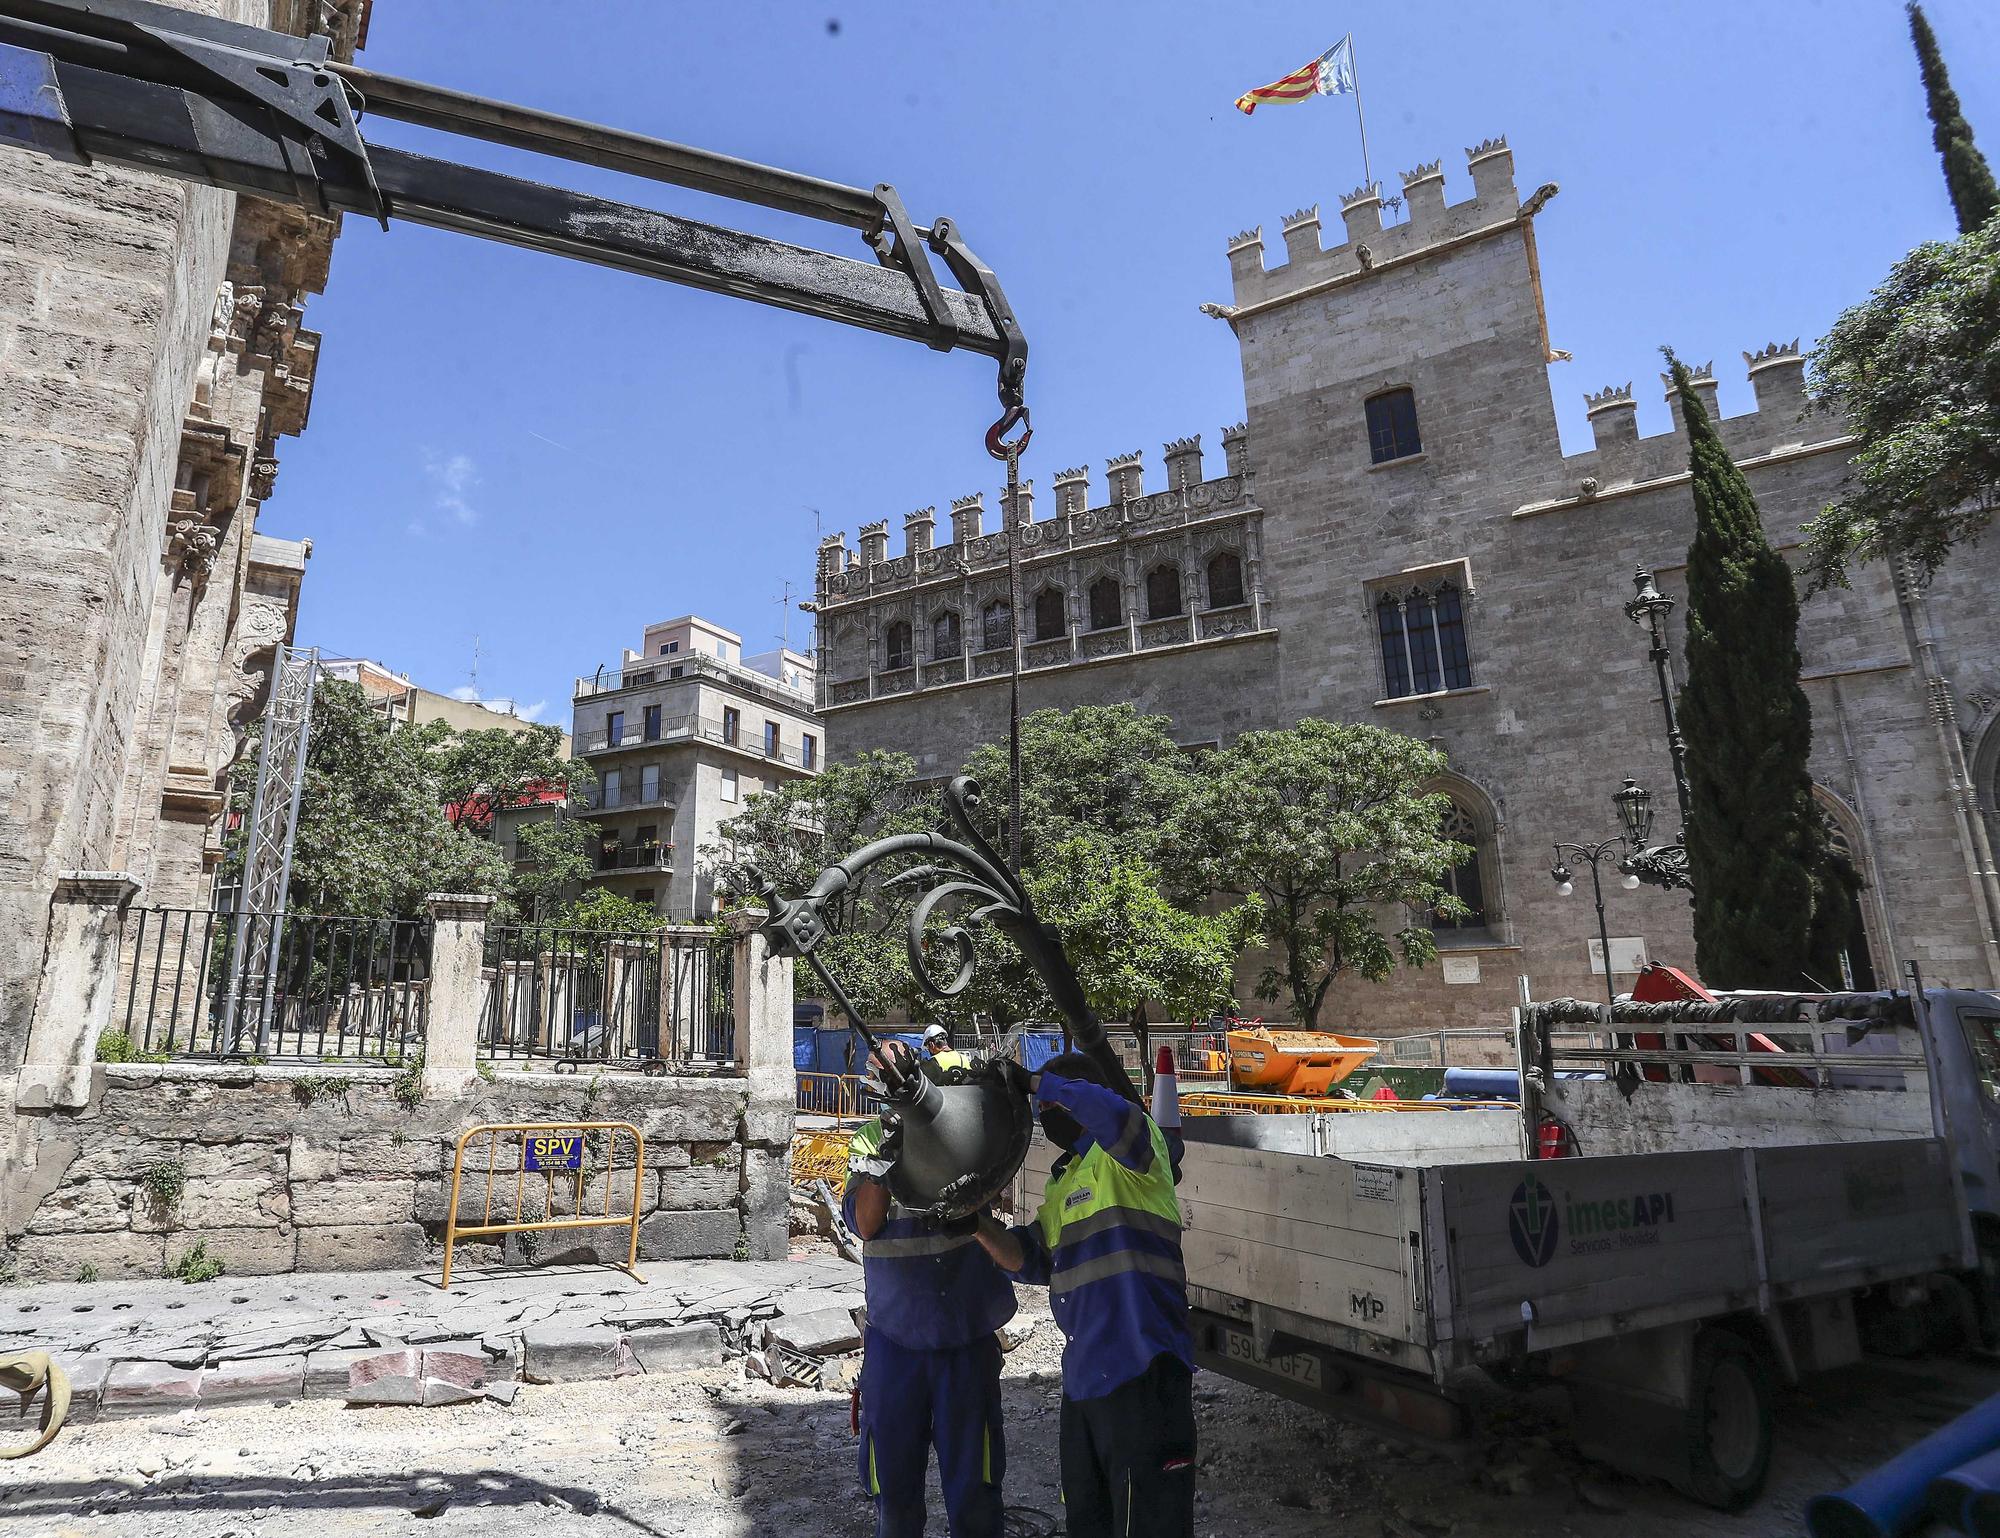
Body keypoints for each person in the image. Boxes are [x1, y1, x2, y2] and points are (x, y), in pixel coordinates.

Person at [974, 1052, 1195, 1538]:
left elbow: (1109, 1111)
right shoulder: (1065, 1182)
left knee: (1150, 1522)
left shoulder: (1136, 1152)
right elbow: (1029, 1258)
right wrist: (977, 1225)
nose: (1045, 1117)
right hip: (1084, 1384)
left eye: (1050, 1106)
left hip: (1144, 1370)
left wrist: (1035, 1081)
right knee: (1088, 1521)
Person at [844, 1040, 1014, 1537]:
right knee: (895, 1497)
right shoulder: (869, 1140)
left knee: (975, 1494)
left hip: (965, 1337)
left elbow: (995, 1176)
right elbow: (866, 1223)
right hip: (897, 1344)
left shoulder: (955, 1124)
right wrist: (890, 1155)